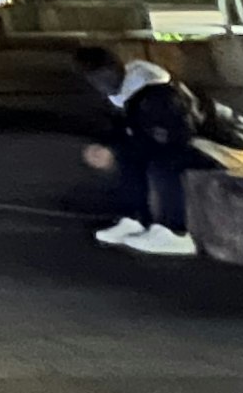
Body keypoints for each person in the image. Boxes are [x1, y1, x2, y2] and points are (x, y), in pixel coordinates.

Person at [73, 44, 202, 255]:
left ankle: (175, 232)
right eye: (94, 79)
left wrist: (122, 147)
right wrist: (108, 147)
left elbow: (175, 135)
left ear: (116, 69)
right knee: (129, 157)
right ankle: (136, 220)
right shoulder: (124, 95)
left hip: (218, 144)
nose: (101, 84)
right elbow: (128, 132)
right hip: (185, 139)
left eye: (102, 75)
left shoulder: (156, 90)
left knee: (162, 160)